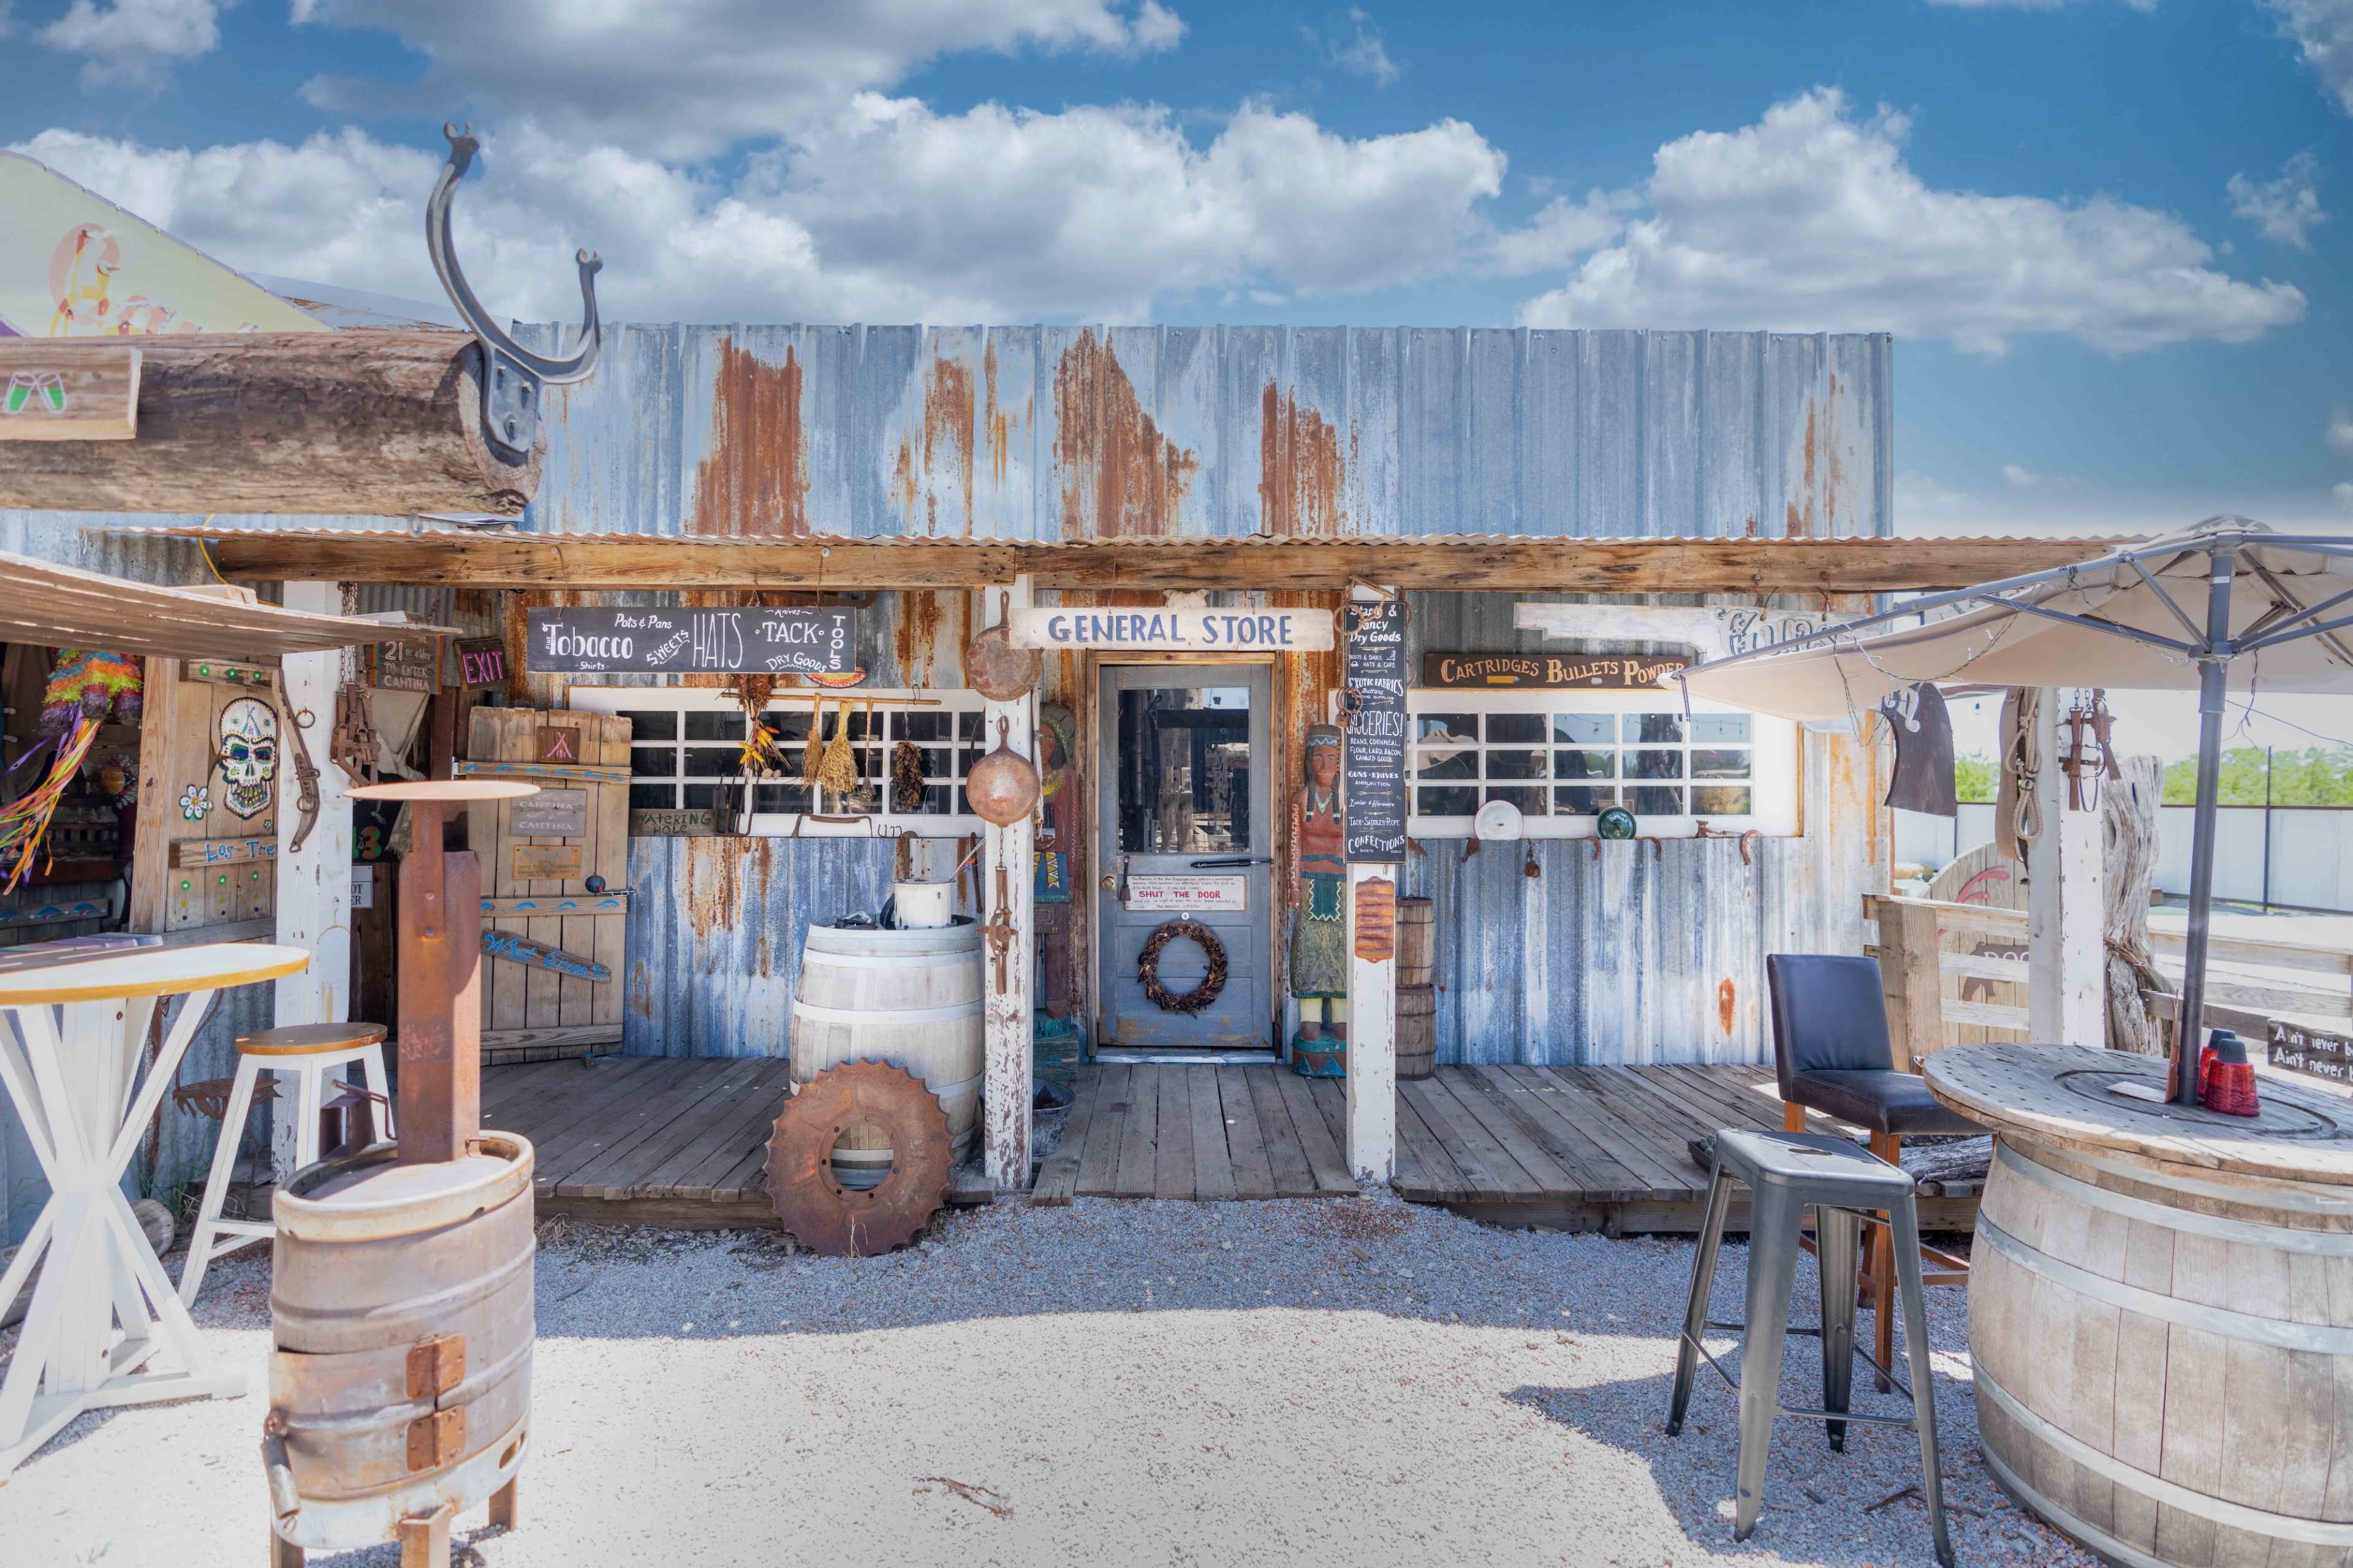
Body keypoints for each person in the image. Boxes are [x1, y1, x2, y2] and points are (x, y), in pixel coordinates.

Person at [1289, 725, 1347, 1058]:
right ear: (1310, 762)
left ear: (1339, 763)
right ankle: (1310, 1018)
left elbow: (1358, 848)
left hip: (1339, 883)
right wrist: (1294, 891)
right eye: (1319, 758)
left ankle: (1341, 1017)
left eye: (1332, 758)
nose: (1325, 766)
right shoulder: (1301, 800)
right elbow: (1294, 845)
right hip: (1310, 883)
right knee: (1310, 952)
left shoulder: (1349, 800)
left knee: (1338, 952)